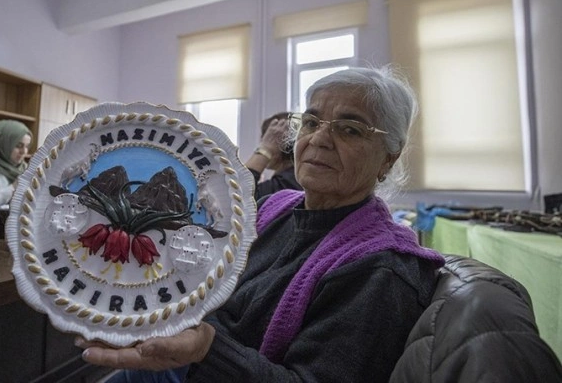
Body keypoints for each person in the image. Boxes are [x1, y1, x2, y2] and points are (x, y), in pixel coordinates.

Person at [75, 66, 447, 382]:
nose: (319, 138)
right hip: (177, 360)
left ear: (388, 158)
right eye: (312, 122)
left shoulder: (381, 269)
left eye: (350, 129)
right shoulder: (274, 206)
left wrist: (206, 348)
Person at [245, 112, 302, 200]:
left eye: (267, 138)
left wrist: (265, 149)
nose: (262, 143)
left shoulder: (288, 181)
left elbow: (238, 194)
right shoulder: (290, 177)